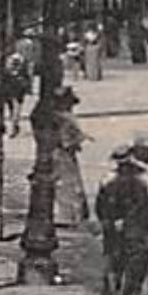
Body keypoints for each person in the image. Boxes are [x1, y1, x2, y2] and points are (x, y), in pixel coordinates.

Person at [96, 144, 148, 295]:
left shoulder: (108, 179)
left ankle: (113, 289)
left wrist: (108, 221)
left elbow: (100, 205)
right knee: (136, 263)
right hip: (136, 228)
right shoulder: (143, 179)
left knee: (114, 258)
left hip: (113, 227)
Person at [54, 87, 90, 226]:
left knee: (67, 185)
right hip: (64, 156)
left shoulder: (61, 117)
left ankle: (72, 216)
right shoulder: (64, 119)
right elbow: (65, 141)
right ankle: (72, 217)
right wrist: (79, 139)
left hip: (64, 155)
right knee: (70, 185)